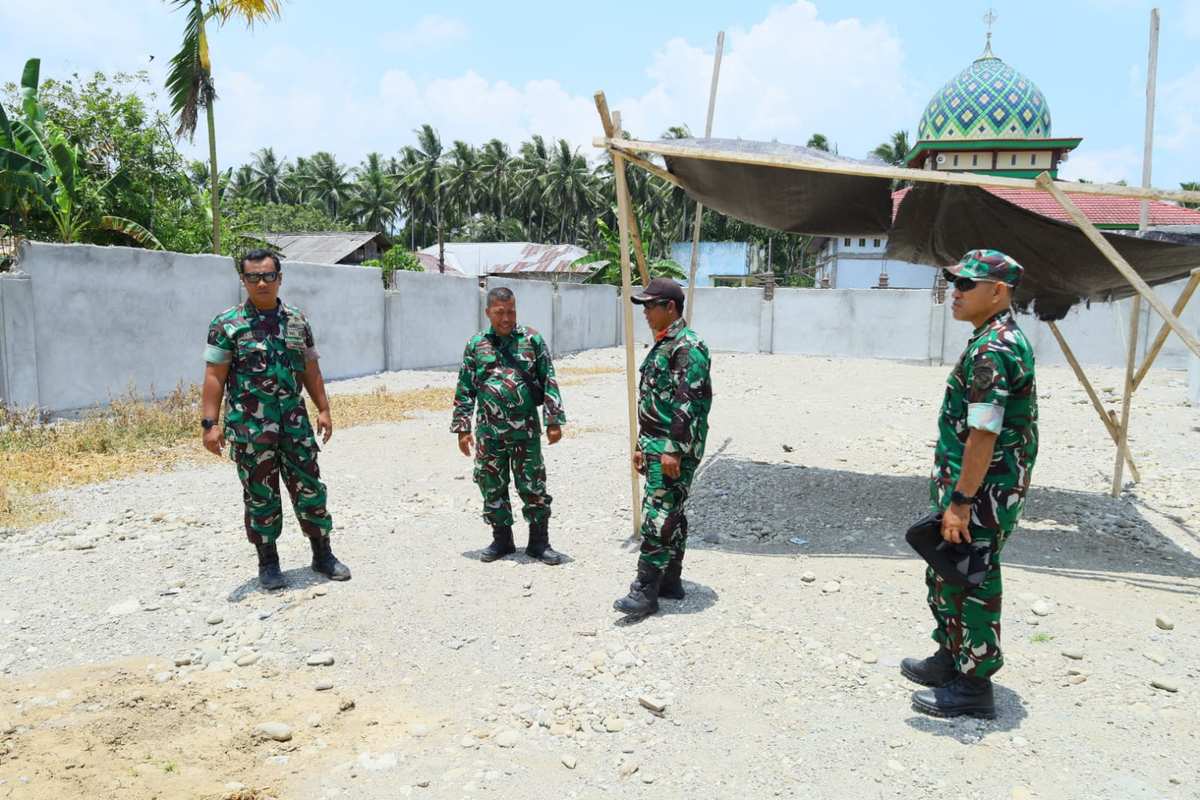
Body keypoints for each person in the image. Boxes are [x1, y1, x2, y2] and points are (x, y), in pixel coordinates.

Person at [903, 249, 1038, 719]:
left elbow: (985, 431)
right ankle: (951, 657)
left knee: (972, 577)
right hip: (976, 485)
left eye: (966, 285)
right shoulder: (990, 338)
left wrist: (961, 500)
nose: (955, 293)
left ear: (998, 292)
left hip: (983, 490)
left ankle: (974, 684)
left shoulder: (993, 349)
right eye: (955, 283)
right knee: (948, 570)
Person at [201, 249, 350, 590]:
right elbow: (214, 376)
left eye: (268, 276)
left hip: (294, 425)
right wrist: (210, 424)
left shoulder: (297, 320)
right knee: (259, 495)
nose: (262, 283)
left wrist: (323, 409)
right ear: (243, 280)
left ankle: (322, 555)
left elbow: (311, 368)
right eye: (253, 277)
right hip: (251, 428)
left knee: (310, 487)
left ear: (280, 278)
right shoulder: (226, 324)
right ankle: (268, 564)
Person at [614, 278, 712, 617]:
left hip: (674, 447)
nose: (644, 312)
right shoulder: (664, 344)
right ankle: (669, 579)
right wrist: (642, 444)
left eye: (649, 305)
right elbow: (656, 401)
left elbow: (689, 402)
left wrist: (673, 449)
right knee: (671, 511)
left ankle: (645, 590)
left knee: (658, 514)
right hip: (657, 442)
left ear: (670, 307)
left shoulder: (687, 346)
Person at [452, 286, 566, 564]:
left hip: (526, 432)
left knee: (533, 485)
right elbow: (466, 387)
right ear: (488, 312)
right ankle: (501, 540)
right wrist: (463, 427)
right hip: (489, 433)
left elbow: (548, 379)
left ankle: (539, 543)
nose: (506, 318)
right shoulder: (476, 344)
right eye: (500, 312)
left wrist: (553, 420)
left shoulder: (532, 340)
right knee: (491, 484)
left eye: (511, 312)